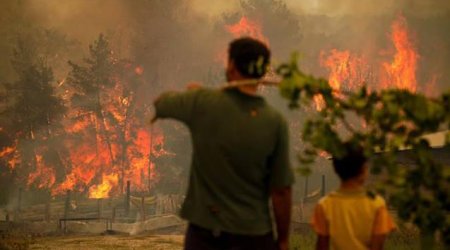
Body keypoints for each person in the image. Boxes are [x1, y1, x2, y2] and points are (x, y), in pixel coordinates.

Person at [153, 37, 294, 250]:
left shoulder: (202, 102)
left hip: (206, 236)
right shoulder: (275, 122)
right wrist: (283, 240)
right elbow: (281, 190)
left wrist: (193, 94)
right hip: (254, 237)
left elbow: (161, 104)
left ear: (231, 66)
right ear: (263, 72)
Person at [311, 143, 396, 250]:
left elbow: (322, 246)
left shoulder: (324, 205)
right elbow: (377, 246)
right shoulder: (377, 204)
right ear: (364, 170)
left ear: (336, 169)